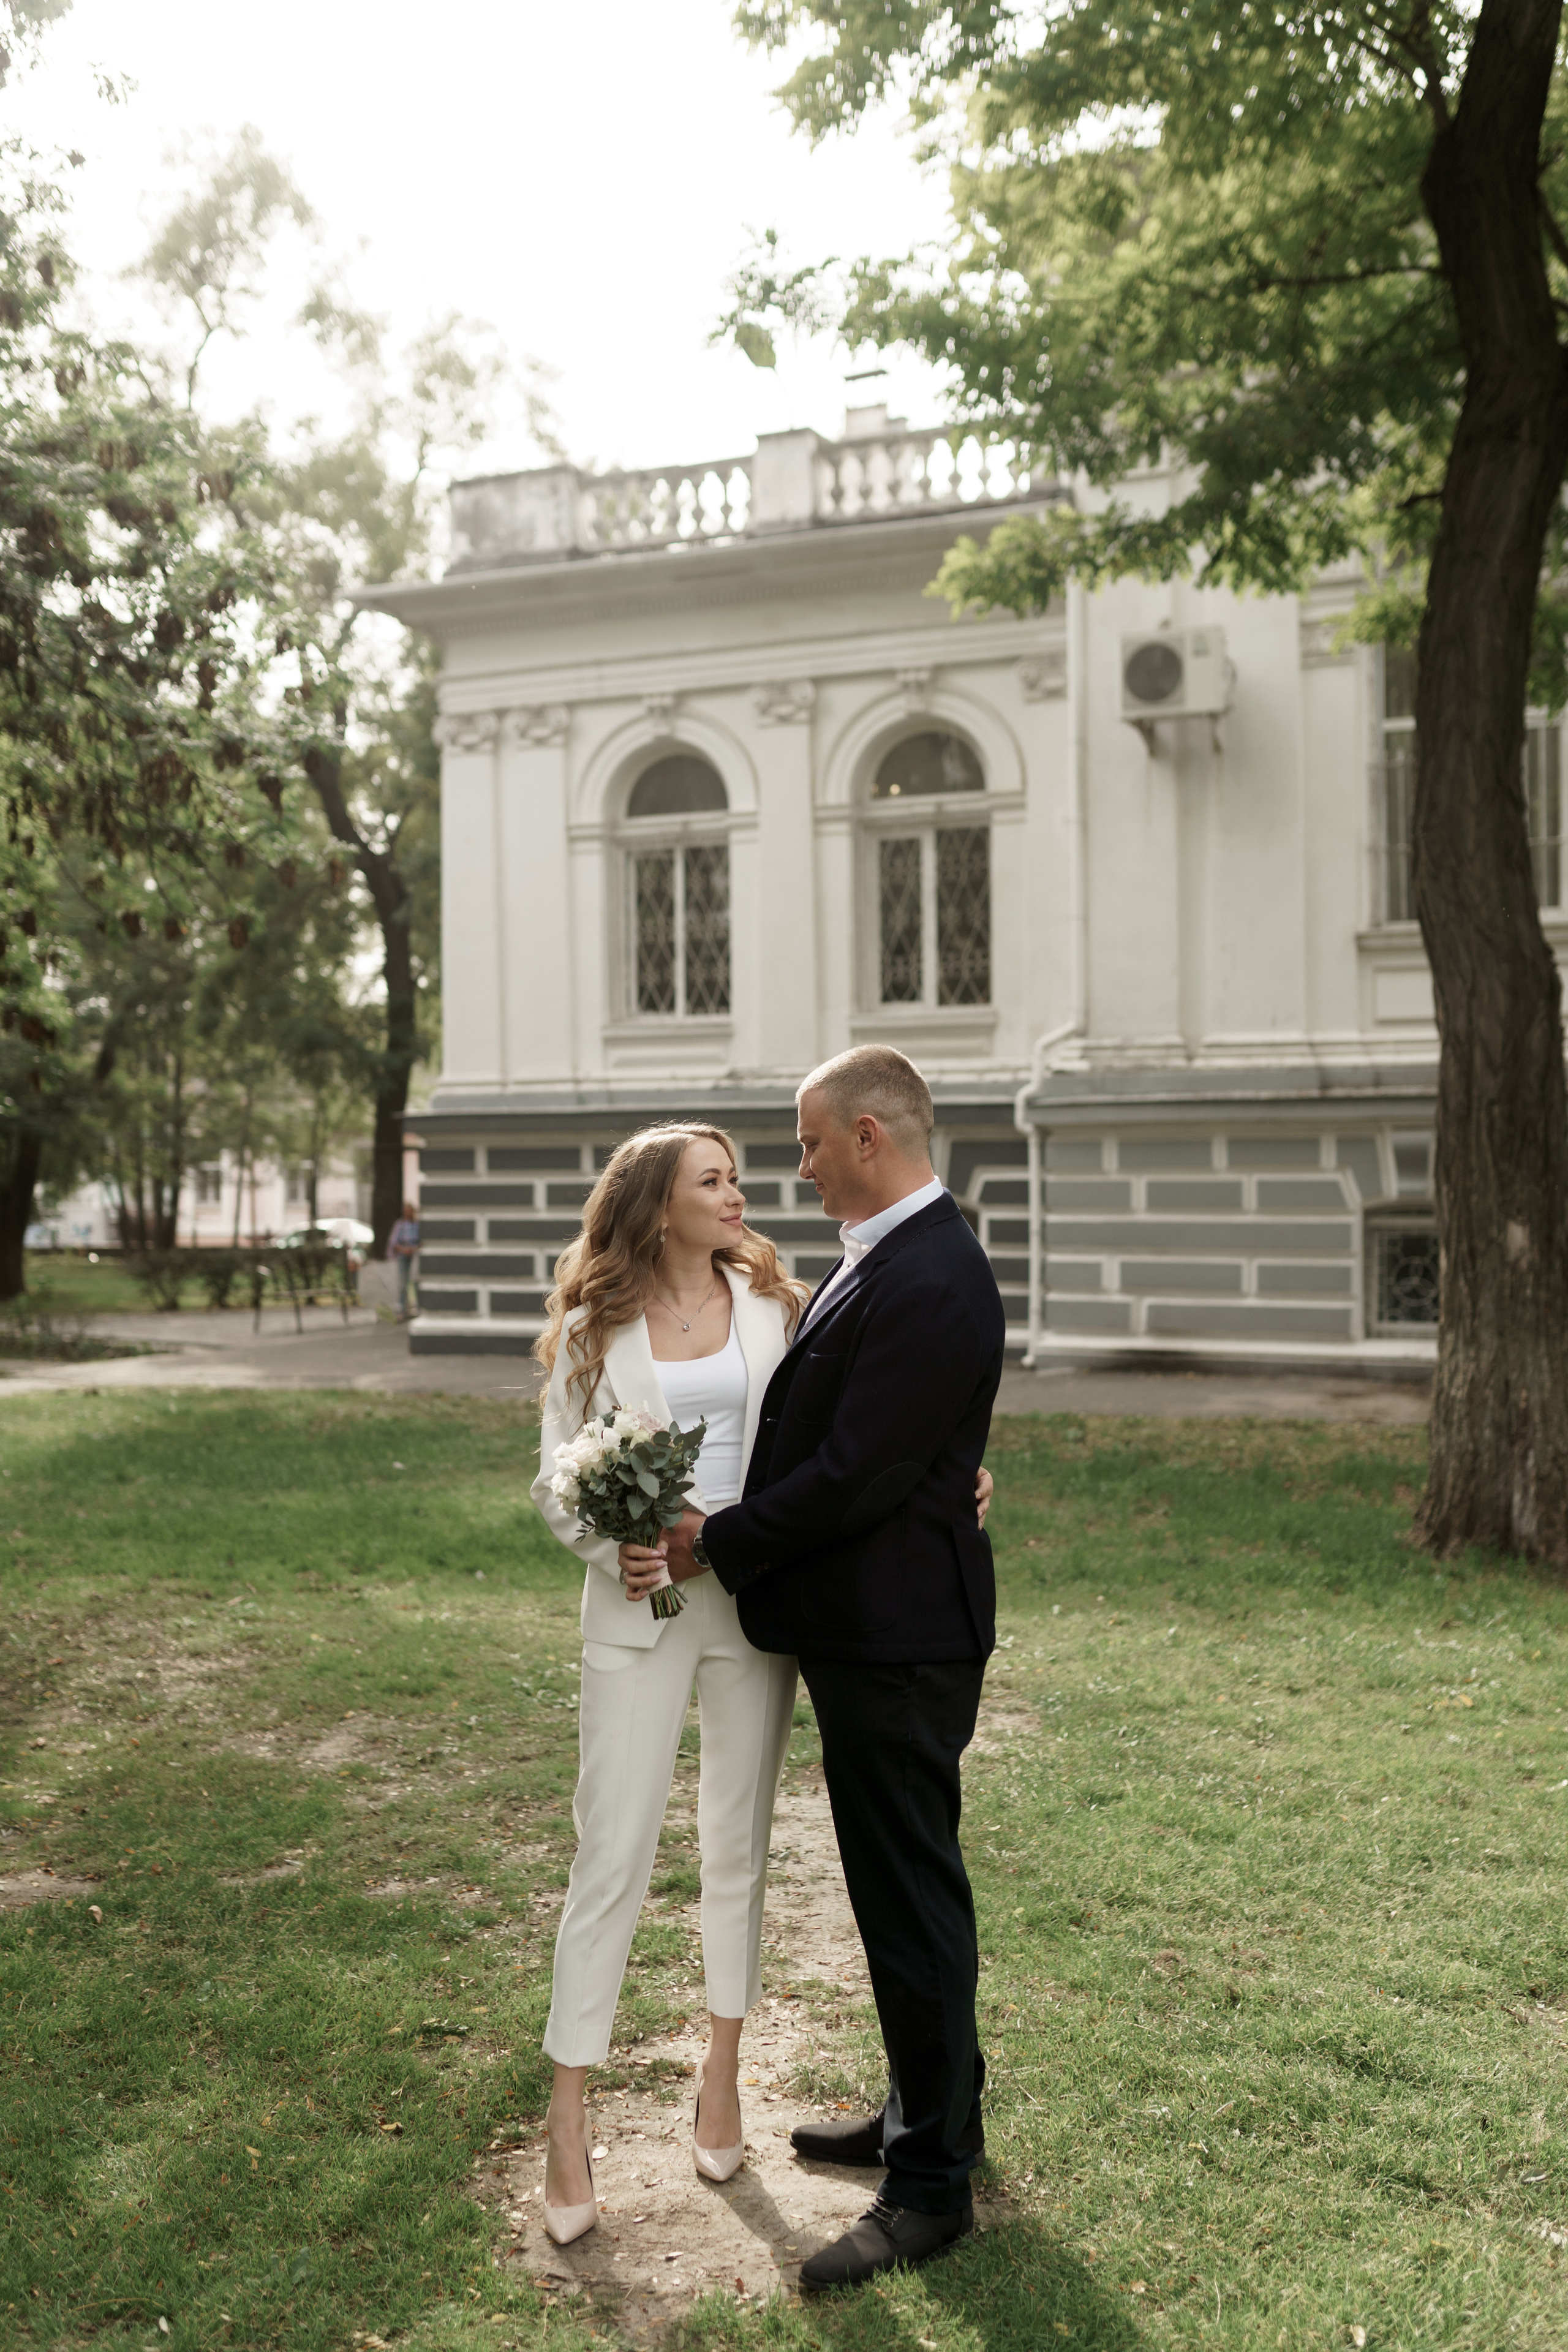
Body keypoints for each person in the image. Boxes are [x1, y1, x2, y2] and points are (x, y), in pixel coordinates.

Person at [658, 1045, 1005, 2291]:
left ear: (869, 1137)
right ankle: (926, 2117)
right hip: (884, 1624)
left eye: (806, 1144)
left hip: (899, 1640)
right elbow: (890, 1440)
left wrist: (719, 1541)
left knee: (910, 1906)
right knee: (901, 1899)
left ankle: (927, 2191)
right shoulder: (894, 1257)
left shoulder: (928, 1274)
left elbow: (857, 1469)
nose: (793, 1168)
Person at [388, 1200, 420, 1317]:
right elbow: (393, 1242)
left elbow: (422, 1241)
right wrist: (404, 1250)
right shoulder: (400, 1225)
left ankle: (418, 1308)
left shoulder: (417, 1225)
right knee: (402, 1283)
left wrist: (413, 1249)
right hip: (402, 1256)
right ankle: (402, 1309)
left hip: (415, 1254)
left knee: (416, 1281)